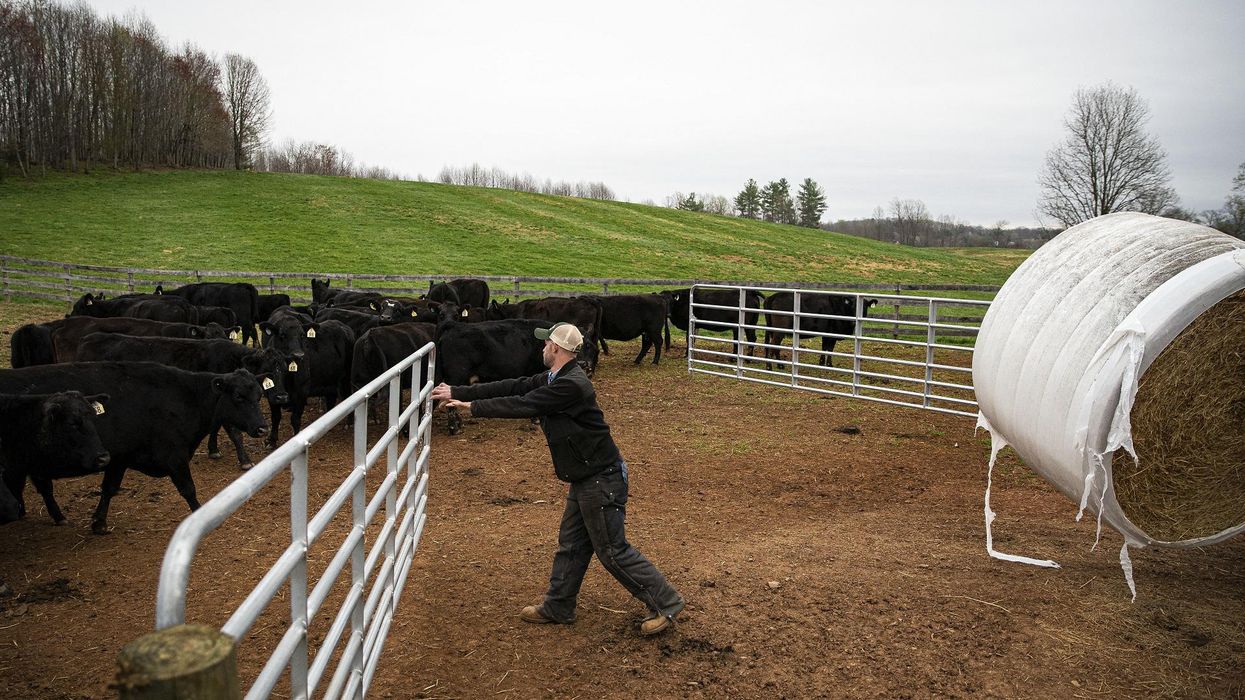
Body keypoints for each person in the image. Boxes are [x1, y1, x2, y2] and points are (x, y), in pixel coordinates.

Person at [430, 321, 685, 635]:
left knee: (612, 550)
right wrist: (459, 390)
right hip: (586, 476)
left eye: (546, 343)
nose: (542, 347)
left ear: (557, 349)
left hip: (600, 478)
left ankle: (665, 602)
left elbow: (525, 404)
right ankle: (559, 605)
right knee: (572, 545)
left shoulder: (570, 385)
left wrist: (474, 407)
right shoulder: (556, 377)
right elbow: (514, 386)